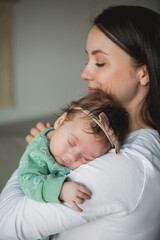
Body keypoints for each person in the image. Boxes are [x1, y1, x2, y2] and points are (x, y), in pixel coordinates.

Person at [0, 4, 160, 240]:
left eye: (100, 62)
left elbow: (5, 224)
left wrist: (38, 149)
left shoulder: (129, 165)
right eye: (87, 60)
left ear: (143, 74)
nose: (85, 73)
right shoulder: (119, 143)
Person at [18, 91, 128, 216]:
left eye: (85, 157)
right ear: (59, 122)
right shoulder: (38, 150)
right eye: (71, 142)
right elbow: (27, 179)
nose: (71, 157)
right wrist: (61, 190)